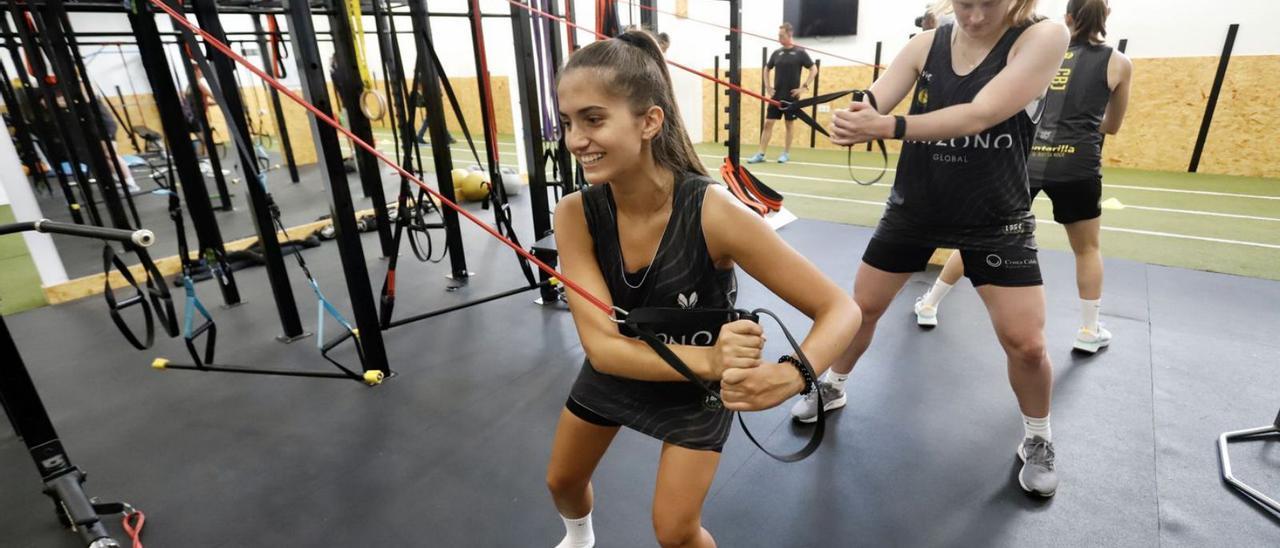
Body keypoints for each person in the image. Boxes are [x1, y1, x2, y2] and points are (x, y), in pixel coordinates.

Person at [547, 30, 860, 548]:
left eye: (593, 118)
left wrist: (792, 376)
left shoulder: (714, 212)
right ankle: (580, 539)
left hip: (695, 394)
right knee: (561, 481)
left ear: (649, 121)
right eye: (569, 123)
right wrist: (714, 362)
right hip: (641, 367)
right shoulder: (575, 213)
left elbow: (840, 309)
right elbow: (602, 349)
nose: (576, 139)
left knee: (675, 532)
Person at [786, 0, 1070, 498]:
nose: (976, 15)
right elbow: (875, 102)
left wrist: (889, 127)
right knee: (862, 310)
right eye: (965, 3)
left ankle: (1038, 438)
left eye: (989, 4)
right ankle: (832, 384)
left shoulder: (1042, 37)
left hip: (996, 216)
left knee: (1026, 344)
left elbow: (981, 113)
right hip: (915, 207)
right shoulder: (925, 44)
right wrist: (853, 120)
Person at [912, 0, 1131, 355]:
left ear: (1069, 17)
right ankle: (1089, 329)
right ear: (1105, 18)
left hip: (1023, 162)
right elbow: (1113, 126)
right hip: (1078, 168)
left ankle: (930, 302)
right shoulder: (1119, 63)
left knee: (979, 240)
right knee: (1087, 249)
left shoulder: (1036, 47)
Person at [746, 23, 815, 165]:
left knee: (789, 124)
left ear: (789, 35)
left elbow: (814, 69)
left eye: (781, 36)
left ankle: (786, 153)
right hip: (776, 95)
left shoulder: (800, 53)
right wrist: (768, 87)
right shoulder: (776, 53)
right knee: (768, 124)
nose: (779, 38)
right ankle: (760, 154)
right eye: (778, 35)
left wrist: (803, 87)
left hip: (791, 96)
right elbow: (767, 69)